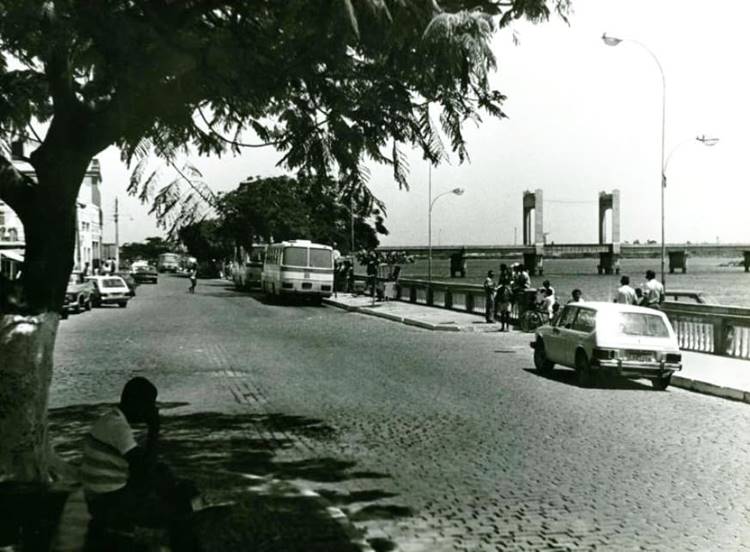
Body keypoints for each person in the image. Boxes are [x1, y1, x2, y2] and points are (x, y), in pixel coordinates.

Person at [81, 377, 201, 550]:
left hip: (102, 493)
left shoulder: (111, 419)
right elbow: (143, 473)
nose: (152, 410)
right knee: (179, 514)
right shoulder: (118, 427)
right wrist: (154, 429)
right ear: (136, 403)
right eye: (149, 405)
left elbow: (142, 464)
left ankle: (178, 500)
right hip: (108, 500)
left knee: (164, 474)